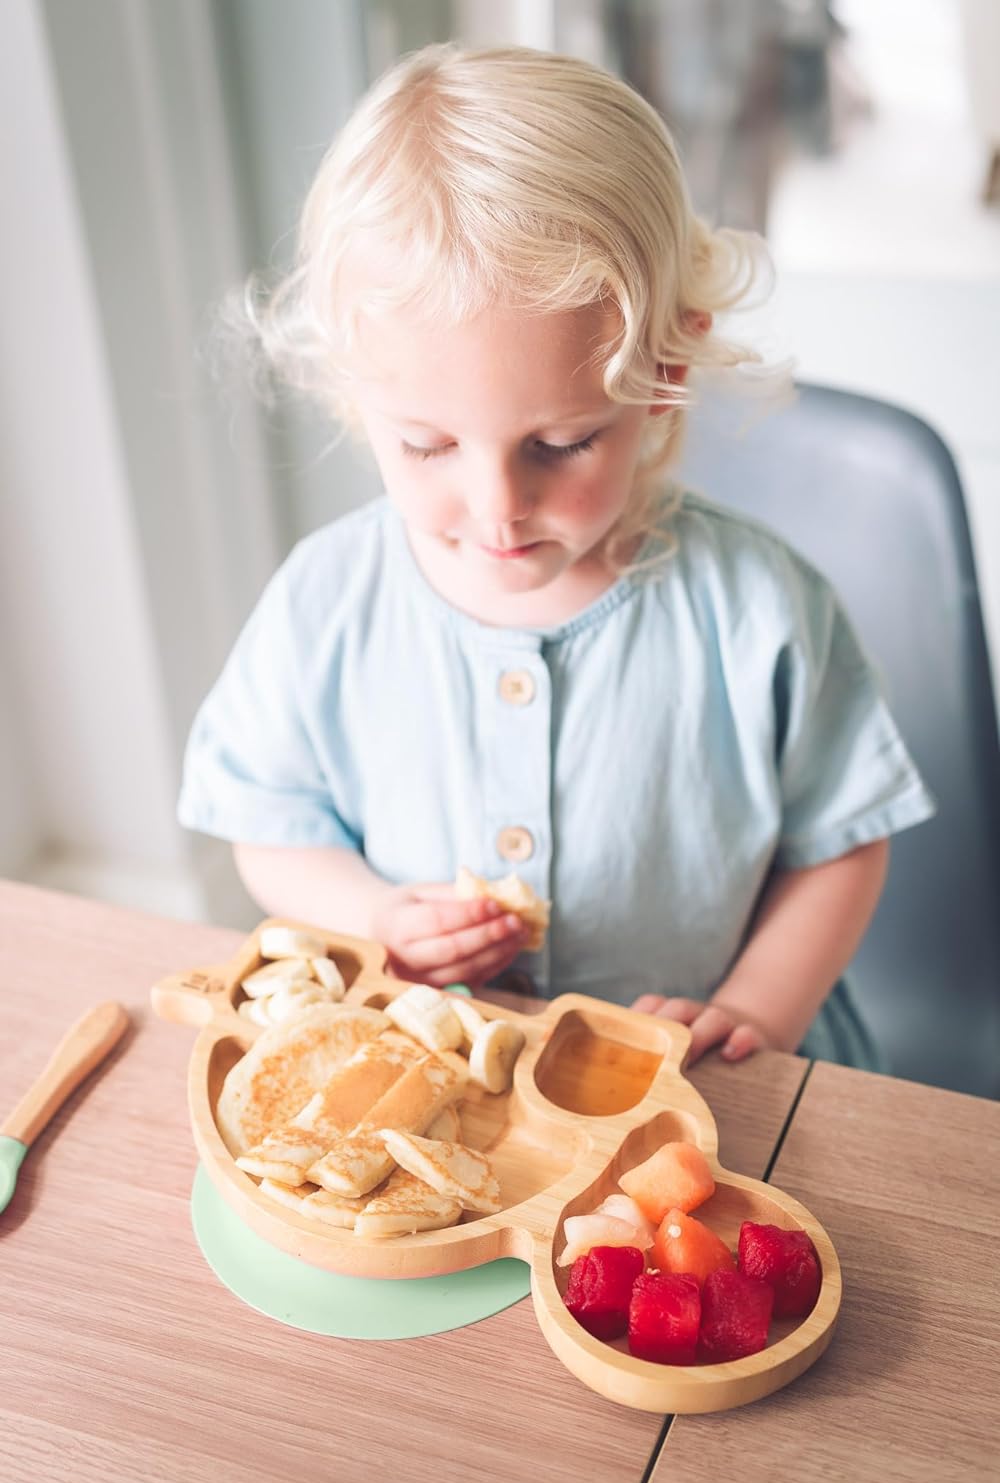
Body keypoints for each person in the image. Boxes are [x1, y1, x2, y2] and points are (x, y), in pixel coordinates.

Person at [179, 44, 934, 1068]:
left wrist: (758, 1007)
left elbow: (841, 843)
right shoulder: (324, 602)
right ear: (356, 391)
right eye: (427, 445)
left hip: (709, 1088)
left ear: (666, 370)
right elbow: (269, 823)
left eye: (563, 442)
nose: (499, 506)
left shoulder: (757, 606)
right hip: (438, 1087)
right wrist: (375, 915)